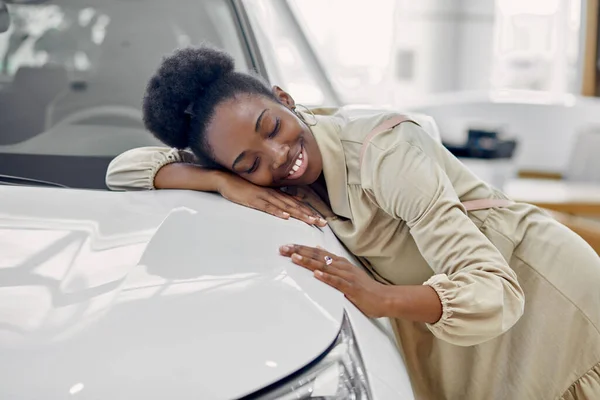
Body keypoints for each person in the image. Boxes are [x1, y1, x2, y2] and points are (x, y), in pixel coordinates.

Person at [106, 45, 600, 400]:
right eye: (249, 163)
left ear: (284, 97)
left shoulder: (385, 153)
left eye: (273, 127)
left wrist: (378, 297)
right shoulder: (245, 174)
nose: (278, 158)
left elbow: (495, 289)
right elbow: (123, 169)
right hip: (470, 334)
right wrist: (221, 183)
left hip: (546, 296)